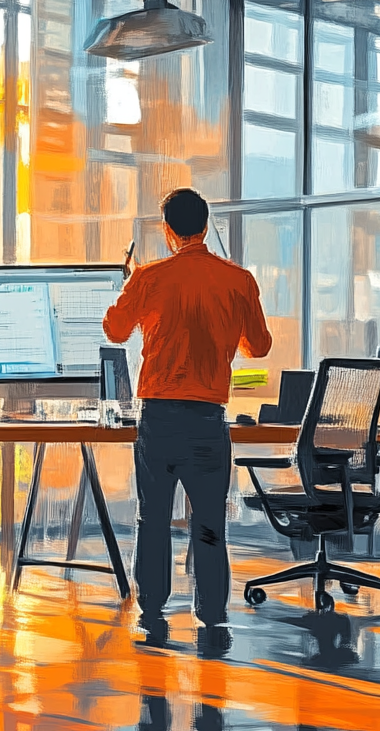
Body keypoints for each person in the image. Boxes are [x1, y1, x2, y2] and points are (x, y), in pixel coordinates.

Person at [102, 188, 272, 653]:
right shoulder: (238, 280)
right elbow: (259, 347)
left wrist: (130, 285)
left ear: (168, 231)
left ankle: (152, 612)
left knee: (153, 517)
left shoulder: (149, 277)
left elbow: (115, 330)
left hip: (159, 417)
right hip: (207, 419)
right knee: (210, 522)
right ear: (205, 224)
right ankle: (212, 616)